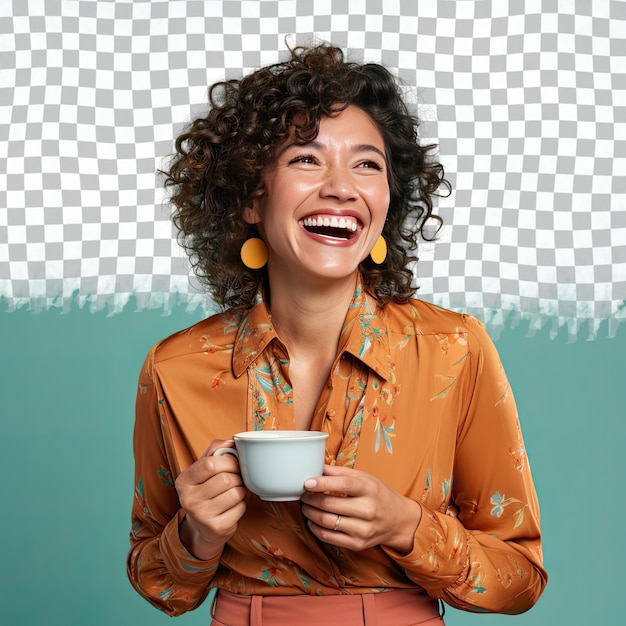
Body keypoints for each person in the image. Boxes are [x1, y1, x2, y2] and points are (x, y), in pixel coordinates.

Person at [127, 43, 547, 625]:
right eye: (307, 159)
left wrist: (406, 527)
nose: (342, 187)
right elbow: (156, 581)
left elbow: (520, 579)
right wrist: (195, 534)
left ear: (386, 200)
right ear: (252, 195)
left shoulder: (453, 349)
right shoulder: (175, 368)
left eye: (367, 164)